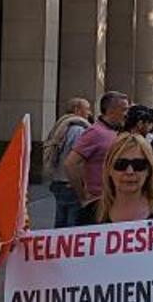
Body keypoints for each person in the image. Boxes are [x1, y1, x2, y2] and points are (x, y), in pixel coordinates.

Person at [77, 133, 153, 224]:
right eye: (121, 164)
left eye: (138, 164)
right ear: (109, 169)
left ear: (149, 170)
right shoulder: (88, 214)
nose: (129, 171)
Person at [64, 91, 130, 209]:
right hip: (97, 200)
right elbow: (71, 164)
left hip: (112, 199)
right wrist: (83, 196)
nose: (127, 114)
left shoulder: (112, 132)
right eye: (124, 110)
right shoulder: (95, 132)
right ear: (111, 110)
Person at [45, 97, 91, 227]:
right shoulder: (79, 131)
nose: (90, 113)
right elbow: (78, 160)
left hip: (58, 180)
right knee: (73, 223)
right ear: (77, 110)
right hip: (70, 183)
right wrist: (80, 184)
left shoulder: (60, 127)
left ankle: (58, 245)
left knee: (60, 220)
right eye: (87, 109)